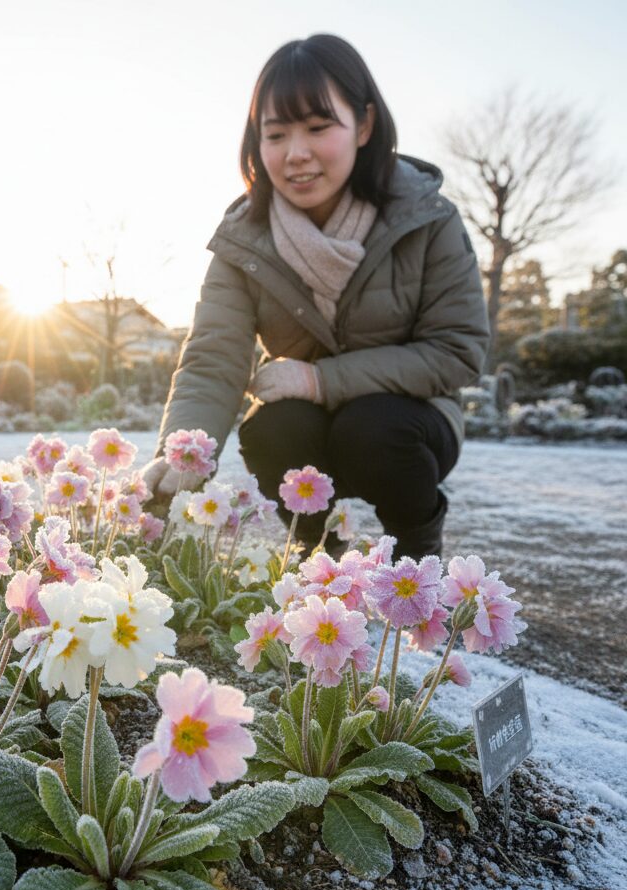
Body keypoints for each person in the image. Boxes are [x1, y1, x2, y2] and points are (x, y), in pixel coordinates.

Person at [142, 34, 489, 559]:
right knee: (271, 428)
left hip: (408, 423)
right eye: (276, 134)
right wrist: (182, 455)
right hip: (308, 429)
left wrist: (318, 379)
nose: (296, 153)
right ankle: (318, 552)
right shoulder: (245, 239)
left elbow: (456, 351)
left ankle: (417, 554)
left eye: (318, 127)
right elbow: (214, 358)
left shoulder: (426, 218)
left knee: (372, 427)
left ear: (364, 125)